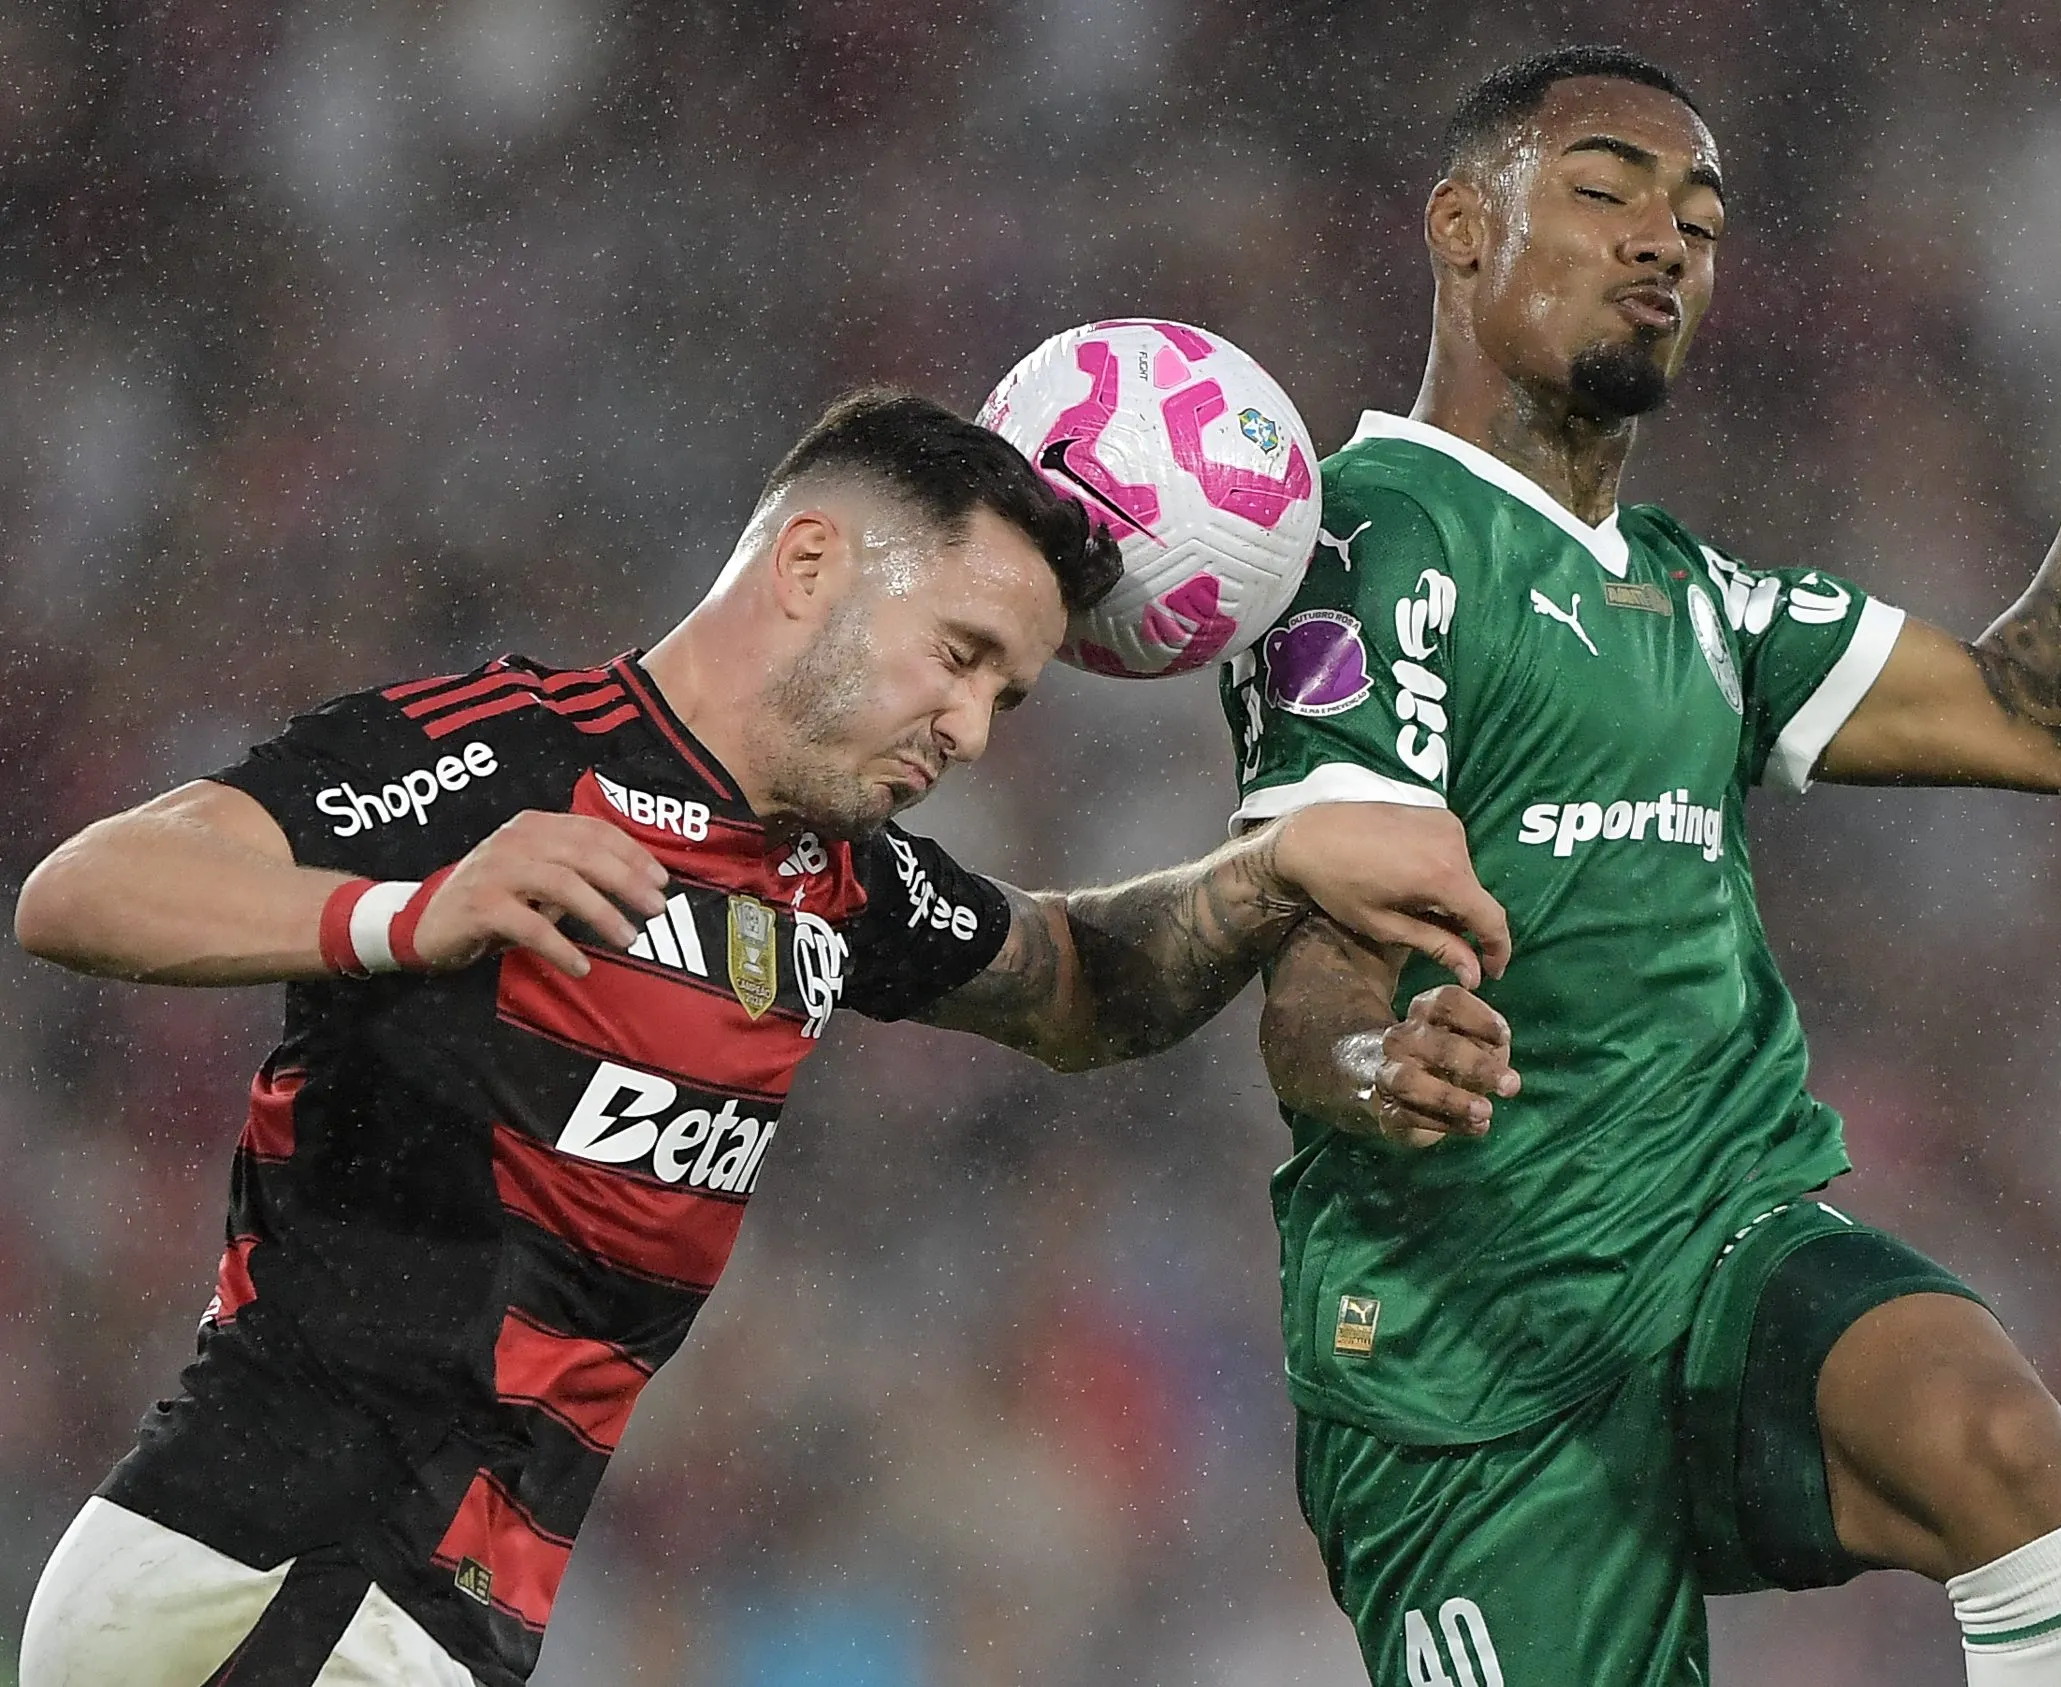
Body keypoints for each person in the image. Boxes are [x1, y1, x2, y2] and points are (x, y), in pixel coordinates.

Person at [9, 388, 1509, 1687]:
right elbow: (86, 889)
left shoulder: (830, 875)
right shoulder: (518, 747)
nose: (975, 728)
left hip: (419, 1609)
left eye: (1007, 691)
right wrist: (411, 913)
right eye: (960, 652)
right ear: (808, 564)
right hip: (270, 1563)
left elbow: (1077, 985)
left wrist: (1276, 871)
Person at [1222, 47, 2061, 1686]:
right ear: (1457, 225)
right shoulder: (1370, 544)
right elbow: (1313, 991)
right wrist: (1379, 1058)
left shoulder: (1697, 596)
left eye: (1699, 220)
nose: (1662, 241)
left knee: (1991, 1434)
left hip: (1712, 1253)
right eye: (1604, 191)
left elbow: (2054, 716)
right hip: (1464, 1359)